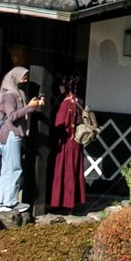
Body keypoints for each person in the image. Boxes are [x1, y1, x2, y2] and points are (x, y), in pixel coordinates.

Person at [0, 63, 34, 210]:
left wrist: (32, 106)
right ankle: (10, 201)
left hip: (12, 134)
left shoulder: (17, 93)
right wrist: (30, 107)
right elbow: (13, 116)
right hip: (10, 135)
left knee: (6, 170)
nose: (25, 79)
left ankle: (2, 201)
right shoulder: (9, 95)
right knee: (14, 168)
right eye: (23, 76)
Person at [44, 77, 89, 215]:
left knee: (64, 172)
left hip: (66, 144)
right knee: (73, 171)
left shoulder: (66, 104)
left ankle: (63, 203)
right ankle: (71, 203)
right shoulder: (79, 102)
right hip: (76, 142)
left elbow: (60, 125)